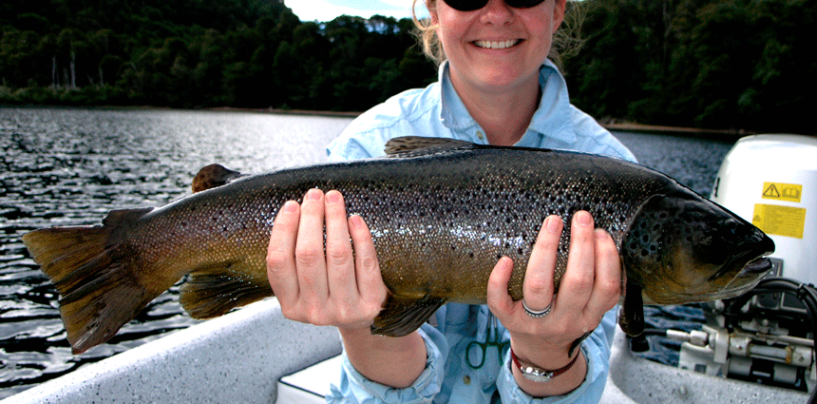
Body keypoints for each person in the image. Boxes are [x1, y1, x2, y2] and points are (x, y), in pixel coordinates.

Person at [266, 0, 637, 402]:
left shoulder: (619, 179)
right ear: (434, 11)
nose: (497, 13)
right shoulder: (364, 148)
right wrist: (366, 330)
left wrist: (547, 352)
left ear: (558, 8)